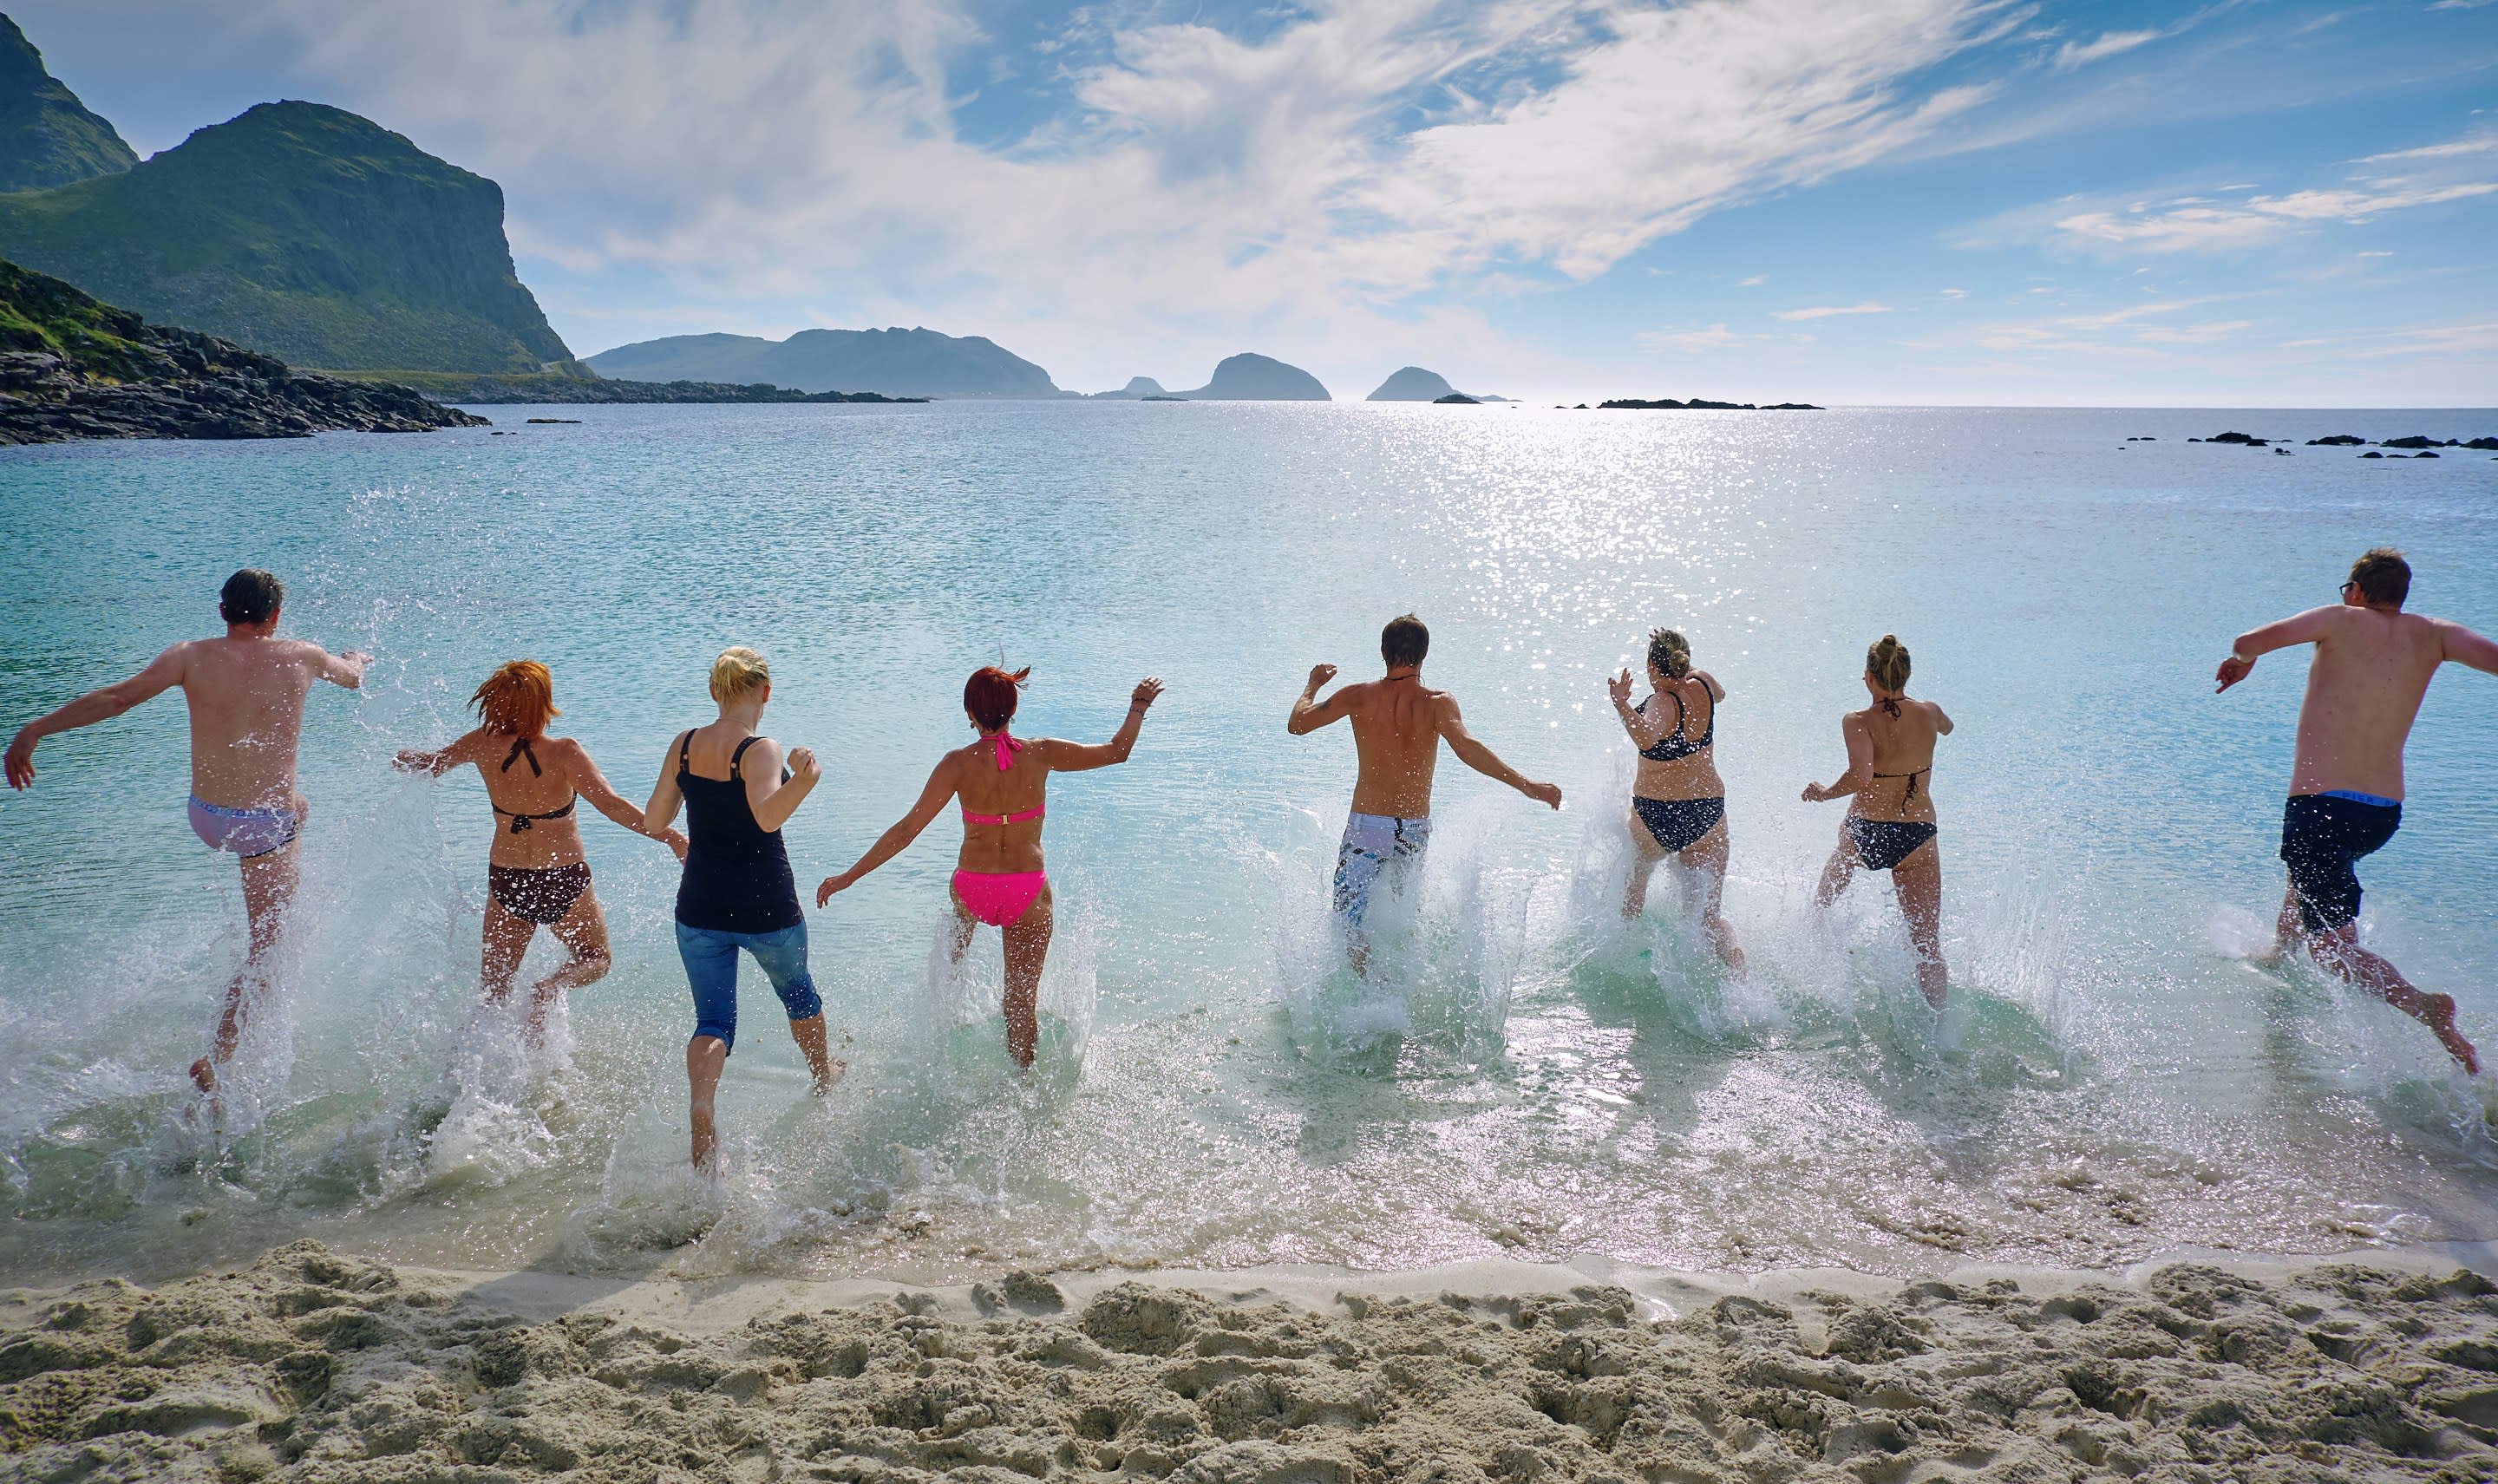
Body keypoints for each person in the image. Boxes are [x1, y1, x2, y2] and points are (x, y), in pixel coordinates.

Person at [4, 569, 369, 1092]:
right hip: (262, 826)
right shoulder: (304, 656)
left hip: (207, 817)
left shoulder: (188, 656)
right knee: (271, 945)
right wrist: (357, 658)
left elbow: (116, 701)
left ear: (223, 612)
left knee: (299, 806)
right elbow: (352, 678)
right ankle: (219, 1059)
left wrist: (35, 728)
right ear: (275, 616)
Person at [2216, 547, 2495, 1074]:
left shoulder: (2340, 621)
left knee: (2332, 950)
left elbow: (2246, 642)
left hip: (2322, 804)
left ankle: (2424, 1007)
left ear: (2359, 590)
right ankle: (2280, 952)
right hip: (2382, 814)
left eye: (2346, 590)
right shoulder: (2436, 633)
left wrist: (2245, 662)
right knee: (2310, 873)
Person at [816, 665, 1164, 1068]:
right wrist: (1138, 706)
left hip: (972, 889)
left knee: (948, 962)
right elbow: (1117, 751)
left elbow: (908, 830)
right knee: (1020, 1002)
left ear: (969, 713)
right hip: (1027, 893)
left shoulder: (956, 764)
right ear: (1014, 708)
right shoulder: (1041, 753)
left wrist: (848, 878)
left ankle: (939, 1035)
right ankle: (1022, 1091)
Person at [393, 660, 688, 1040]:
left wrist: (404, 757)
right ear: (543, 704)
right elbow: (612, 806)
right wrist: (672, 837)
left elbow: (430, 765)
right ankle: (550, 987)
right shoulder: (564, 752)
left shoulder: (480, 744)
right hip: (563, 877)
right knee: (595, 959)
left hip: (507, 879)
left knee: (493, 992)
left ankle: (468, 1071)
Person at [639, 647, 838, 1171]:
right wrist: (806, 779)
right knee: (799, 996)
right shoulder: (761, 749)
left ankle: (703, 1105)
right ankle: (823, 1076)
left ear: (713, 692)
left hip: (700, 905)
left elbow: (655, 819)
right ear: (765, 692)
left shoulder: (683, 745)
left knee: (712, 1021)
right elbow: (768, 817)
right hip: (765, 906)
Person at [1288, 614, 1562, 971]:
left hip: (1366, 828)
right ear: (1426, 653)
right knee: (1405, 917)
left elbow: (1298, 724)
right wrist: (1528, 786)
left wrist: (1312, 685)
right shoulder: (1438, 702)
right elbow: (1467, 748)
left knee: (1347, 921)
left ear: (1382, 651)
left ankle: (1377, 991)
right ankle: (1408, 990)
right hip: (1412, 830)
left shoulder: (1356, 696)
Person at [1803, 635, 1952, 1007]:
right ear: (1907, 674)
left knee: (1835, 873)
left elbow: (1860, 777)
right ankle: (1939, 1026)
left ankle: (1812, 931)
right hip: (1918, 834)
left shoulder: (1857, 720)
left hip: (1869, 830)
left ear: (1869, 677)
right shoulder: (1929, 712)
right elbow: (1948, 727)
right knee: (1927, 943)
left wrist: (1823, 793)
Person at [1609, 628, 1743, 970]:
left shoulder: (1661, 702)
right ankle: (1737, 970)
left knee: (1636, 883)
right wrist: (1697, 678)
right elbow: (1722, 694)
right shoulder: (1704, 685)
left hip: (1658, 816)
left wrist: (1622, 705)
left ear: (1653, 668)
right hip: (1707, 814)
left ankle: (1624, 956)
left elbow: (1647, 738)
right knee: (1709, 915)